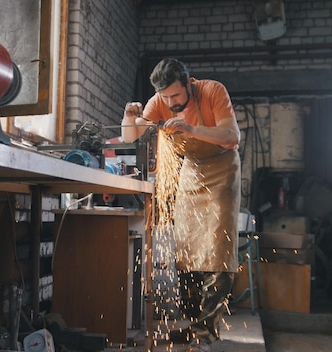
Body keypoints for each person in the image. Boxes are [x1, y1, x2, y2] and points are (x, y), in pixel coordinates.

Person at [121, 58, 240, 352]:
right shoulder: (158, 101)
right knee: (186, 250)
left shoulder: (213, 92)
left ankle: (207, 333)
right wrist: (128, 116)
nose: (170, 102)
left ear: (189, 84)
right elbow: (130, 136)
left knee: (218, 252)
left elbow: (231, 136)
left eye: (175, 95)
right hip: (191, 171)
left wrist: (190, 127)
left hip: (222, 170)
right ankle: (192, 324)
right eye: (165, 97)